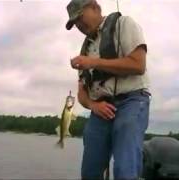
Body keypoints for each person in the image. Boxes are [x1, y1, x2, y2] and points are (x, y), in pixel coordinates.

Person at [65, 0, 151, 179]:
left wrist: (94, 62)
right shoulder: (85, 49)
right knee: (90, 171)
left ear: (95, 7)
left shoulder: (124, 24)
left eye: (80, 18)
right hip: (101, 109)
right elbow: (81, 93)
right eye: (75, 23)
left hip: (132, 101)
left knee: (125, 170)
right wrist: (92, 105)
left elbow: (138, 64)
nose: (79, 25)